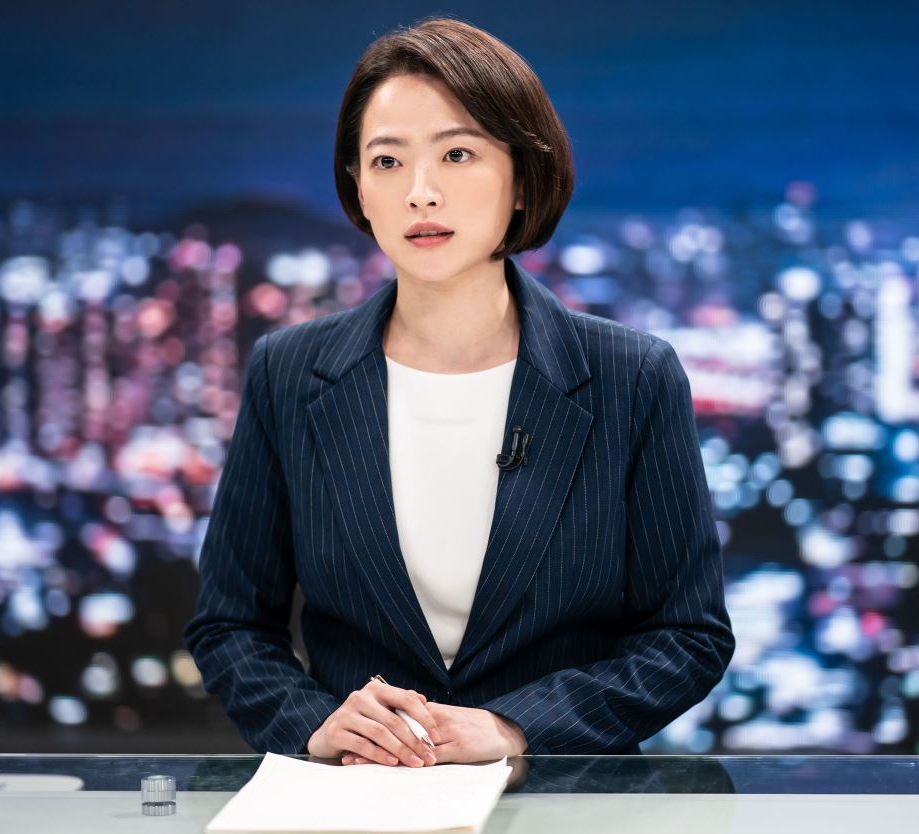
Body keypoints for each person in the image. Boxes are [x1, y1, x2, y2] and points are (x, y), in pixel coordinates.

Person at [184, 17, 734, 768]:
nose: (421, 192)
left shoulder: (631, 377)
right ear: (359, 189)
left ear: (522, 178)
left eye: (457, 154)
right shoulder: (289, 373)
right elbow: (229, 625)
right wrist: (315, 724)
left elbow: (687, 636)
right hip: (360, 802)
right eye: (387, 161)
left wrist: (515, 727)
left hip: (567, 803)